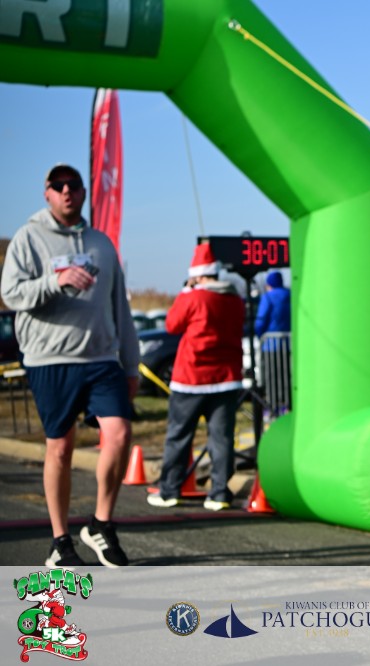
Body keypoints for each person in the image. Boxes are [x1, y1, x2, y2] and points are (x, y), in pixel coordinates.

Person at [1, 163, 139, 568]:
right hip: (50, 359)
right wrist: (55, 281)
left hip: (101, 358)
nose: (66, 191)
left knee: (119, 433)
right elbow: (10, 294)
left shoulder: (101, 243)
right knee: (60, 448)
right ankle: (60, 542)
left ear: (83, 193)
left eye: (73, 185)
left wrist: (131, 365)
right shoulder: (29, 238)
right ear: (47, 193)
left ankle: (100, 524)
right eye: (58, 185)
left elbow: (120, 308)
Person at [147, 244, 245, 511]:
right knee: (221, 438)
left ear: (198, 275)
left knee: (179, 435)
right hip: (226, 378)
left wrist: (185, 292)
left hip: (191, 379)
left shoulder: (193, 298)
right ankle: (220, 493)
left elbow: (172, 325)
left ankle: (170, 490)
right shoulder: (235, 299)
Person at [254, 270, 291, 414]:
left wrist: (260, 336)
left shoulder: (268, 297)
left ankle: (273, 406)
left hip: (270, 345)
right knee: (286, 375)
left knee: (271, 376)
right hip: (288, 344)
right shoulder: (290, 295)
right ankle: (287, 405)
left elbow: (261, 321)